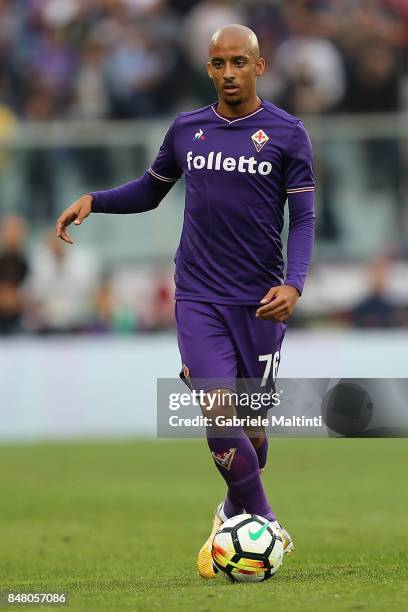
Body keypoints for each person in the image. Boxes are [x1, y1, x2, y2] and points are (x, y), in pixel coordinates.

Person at [56, 24, 315, 578]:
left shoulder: (288, 134)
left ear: (259, 67)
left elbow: (305, 220)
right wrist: (94, 202)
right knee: (218, 411)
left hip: (261, 298)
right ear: (208, 68)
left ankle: (233, 511)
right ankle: (266, 523)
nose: (228, 73)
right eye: (218, 63)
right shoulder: (187, 130)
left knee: (253, 429)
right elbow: (151, 190)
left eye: (239, 63)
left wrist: (294, 283)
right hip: (198, 294)